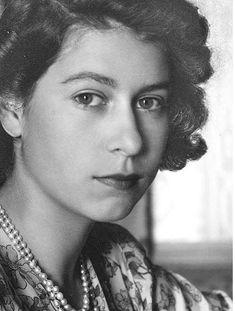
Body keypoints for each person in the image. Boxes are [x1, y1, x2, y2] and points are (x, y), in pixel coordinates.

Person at [0, 0, 232, 310]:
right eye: (88, 97)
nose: (132, 141)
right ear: (12, 110)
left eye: (150, 102)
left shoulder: (122, 262)